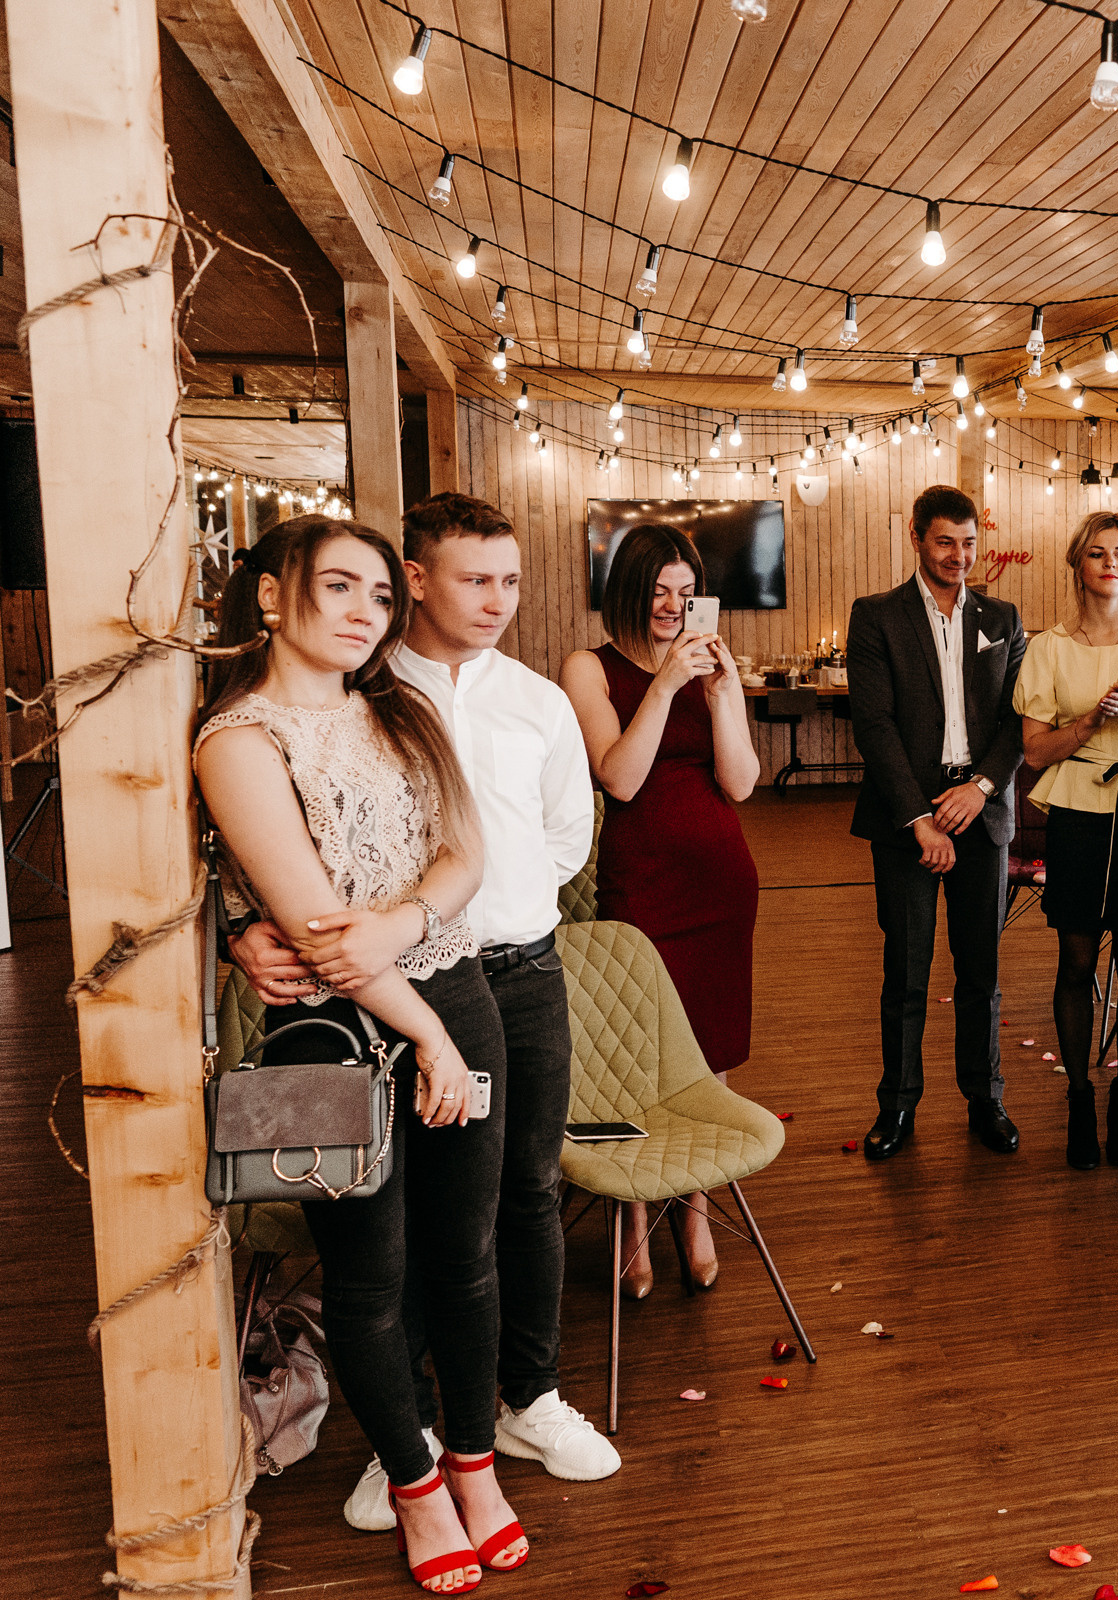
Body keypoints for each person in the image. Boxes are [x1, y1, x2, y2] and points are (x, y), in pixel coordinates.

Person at [235, 496, 618, 1524]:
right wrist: (241, 922)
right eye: (473, 578)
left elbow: (553, 840)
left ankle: (515, 1404)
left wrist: (438, 919)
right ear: (420, 577)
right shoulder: (344, 690)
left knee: (517, 1201)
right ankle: (401, 1441)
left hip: (506, 977)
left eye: (511, 581)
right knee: (380, 1240)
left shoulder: (528, 701)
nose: (496, 600)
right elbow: (248, 853)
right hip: (348, 1003)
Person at [196, 517, 523, 1594]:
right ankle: (417, 1485)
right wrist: (415, 1023)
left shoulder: (402, 706)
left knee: (468, 1259)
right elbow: (309, 917)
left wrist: (409, 923)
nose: (362, 612)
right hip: (329, 1036)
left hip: (455, 989)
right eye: (337, 587)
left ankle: (475, 1464)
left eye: (380, 596)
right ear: (275, 598)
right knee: (368, 1280)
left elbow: (466, 849)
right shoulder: (237, 740)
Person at [562, 523, 760, 1295]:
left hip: (722, 881)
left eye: (686, 593)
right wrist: (666, 686)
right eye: (658, 593)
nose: (673, 608)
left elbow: (740, 782)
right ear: (628, 593)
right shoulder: (589, 666)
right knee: (637, 1047)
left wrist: (723, 695)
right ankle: (635, 1218)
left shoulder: (710, 665)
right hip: (643, 877)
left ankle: (696, 1211)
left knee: (705, 1055)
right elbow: (620, 778)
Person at [848, 485, 1028, 1161]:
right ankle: (896, 1107)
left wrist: (981, 789)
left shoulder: (1003, 617)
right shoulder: (877, 617)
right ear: (919, 539)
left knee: (981, 970)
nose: (960, 556)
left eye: (970, 542)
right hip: (907, 820)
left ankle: (986, 1100)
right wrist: (921, 819)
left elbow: (1018, 719)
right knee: (908, 970)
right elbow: (874, 725)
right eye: (946, 542)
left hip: (981, 814)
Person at [1015, 511, 1118, 1169]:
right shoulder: (1050, 647)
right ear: (1077, 566)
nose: (1110, 563)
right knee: (1077, 963)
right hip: (1080, 809)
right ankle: (1080, 1097)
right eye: (1096, 553)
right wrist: (1090, 720)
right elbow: (1034, 753)